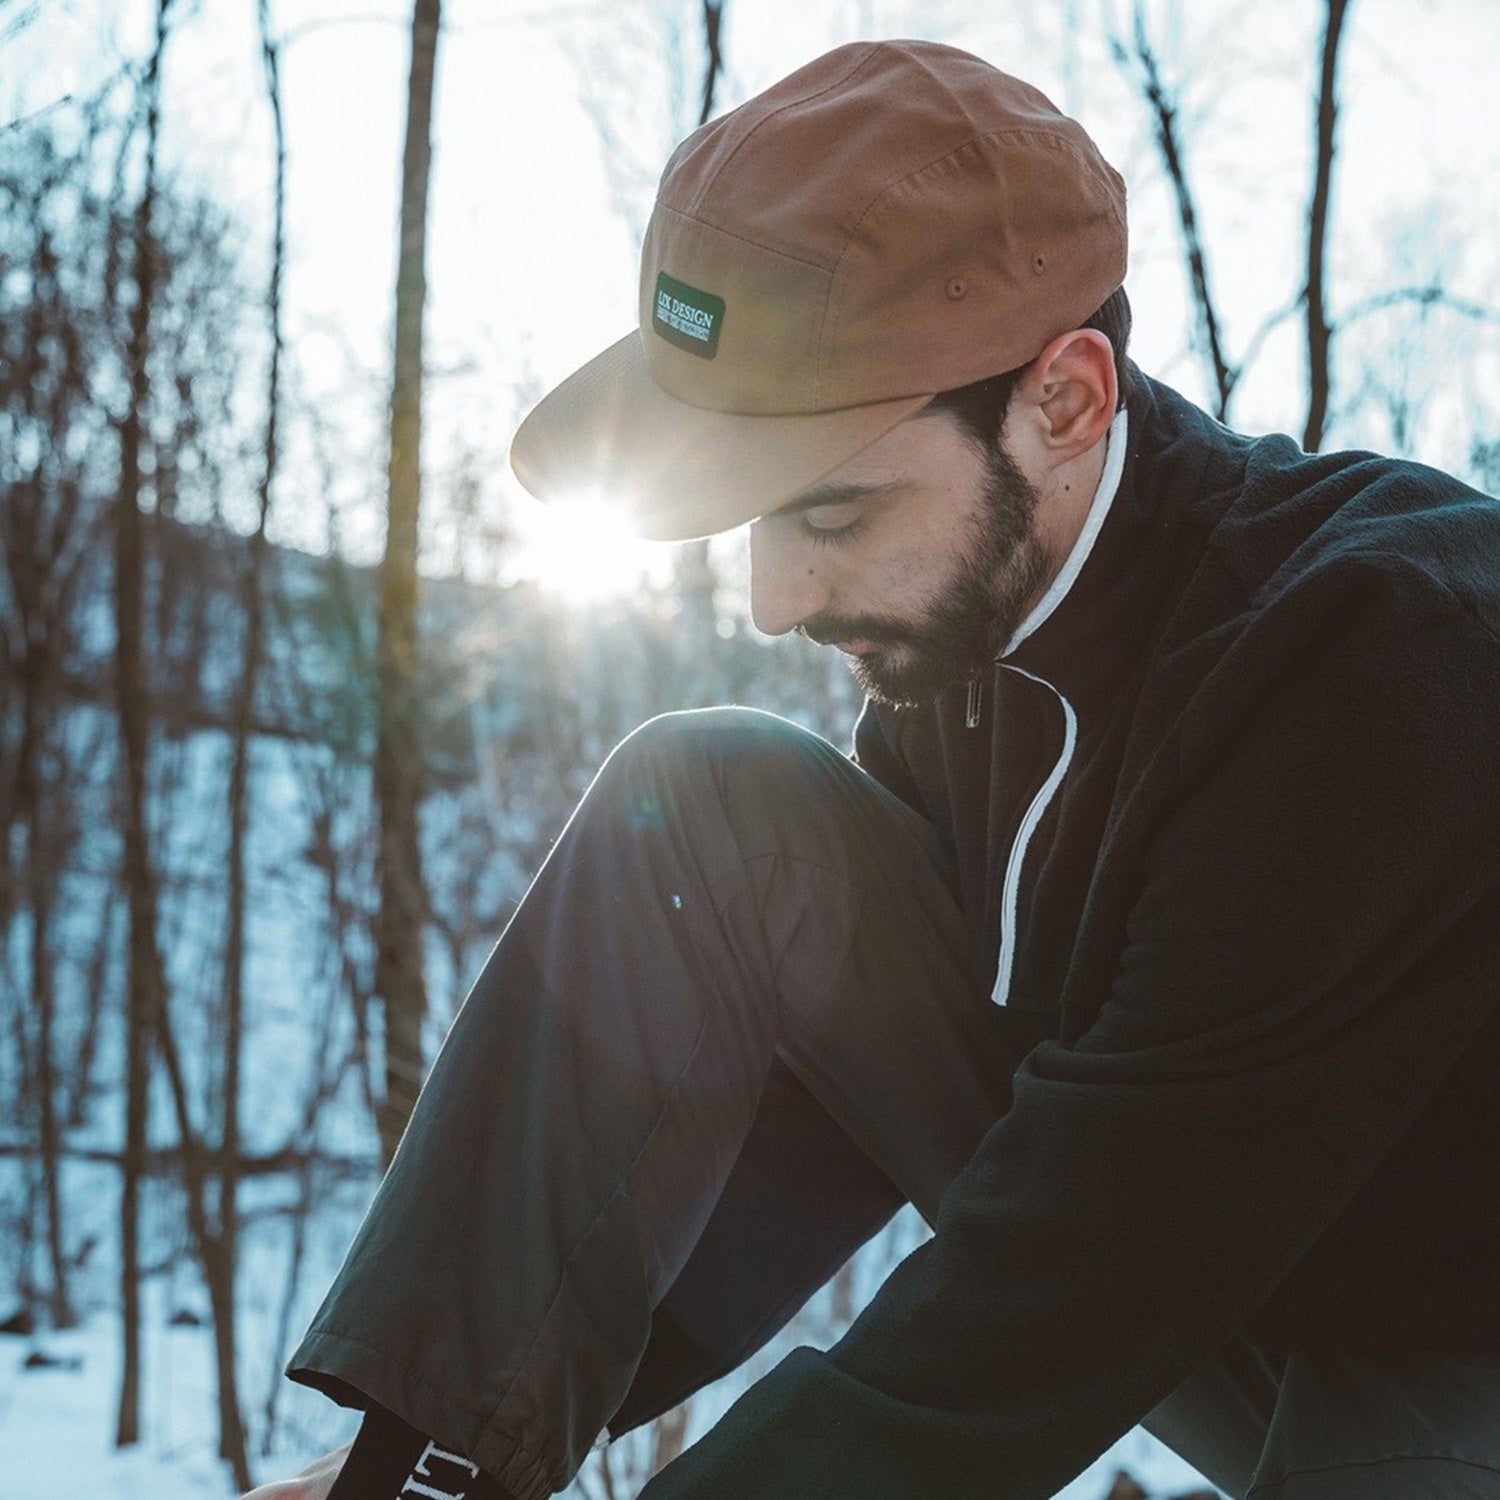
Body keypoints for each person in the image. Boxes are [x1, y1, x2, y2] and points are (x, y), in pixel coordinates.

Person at [252, 39, 1500, 1500]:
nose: (775, 600)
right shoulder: (960, 657)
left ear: (1067, 402)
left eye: (831, 513)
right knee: (714, 798)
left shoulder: (1376, 655)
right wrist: (415, 1465)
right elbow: (817, 1121)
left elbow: (1071, 1282)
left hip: (1437, 1339)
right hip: (1178, 1272)